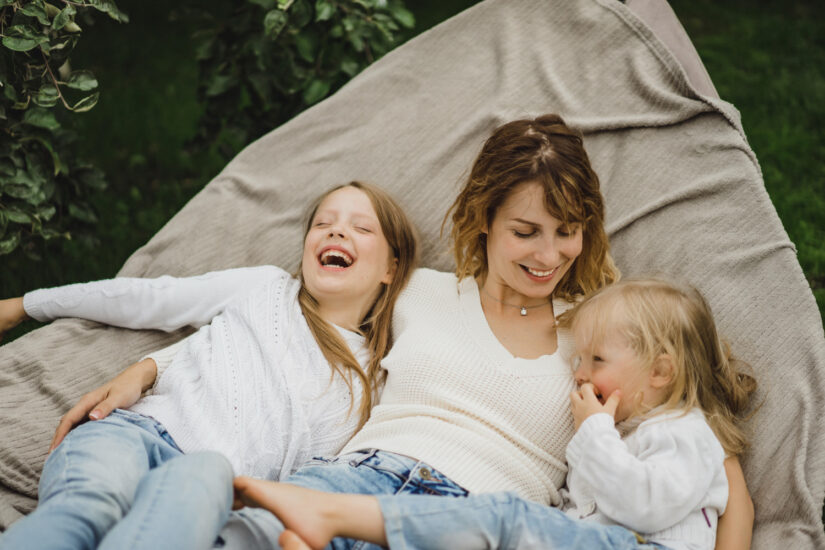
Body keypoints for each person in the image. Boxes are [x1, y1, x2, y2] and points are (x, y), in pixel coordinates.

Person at [214, 115, 753, 550]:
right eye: (526, 231)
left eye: (567, 231)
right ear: (484, 219)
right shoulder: (412, 289)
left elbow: (718, 472)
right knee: (232, 533)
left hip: (477, 525)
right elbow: (290, 316)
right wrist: (169, 371)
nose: (549, 255)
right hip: (353, 481)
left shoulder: (603, 332)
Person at [0, 181, 418, 550]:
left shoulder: (373, 380)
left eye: (362, 228)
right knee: (85, 509)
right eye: (323, 223)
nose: (336, 230)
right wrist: (25, 305)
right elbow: (152, 298)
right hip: (132, 432)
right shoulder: (266, 288)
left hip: (214, 484)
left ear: (391, 268)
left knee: (195, 487)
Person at [231, 278, 757, 550]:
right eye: (579, 359)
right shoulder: (626, 433)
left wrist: (594, 433)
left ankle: (331, 516)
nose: (578, 374)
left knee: (508, 519)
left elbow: (642, 506)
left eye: (596, 361)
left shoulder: (684, 434)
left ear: (660, 371)